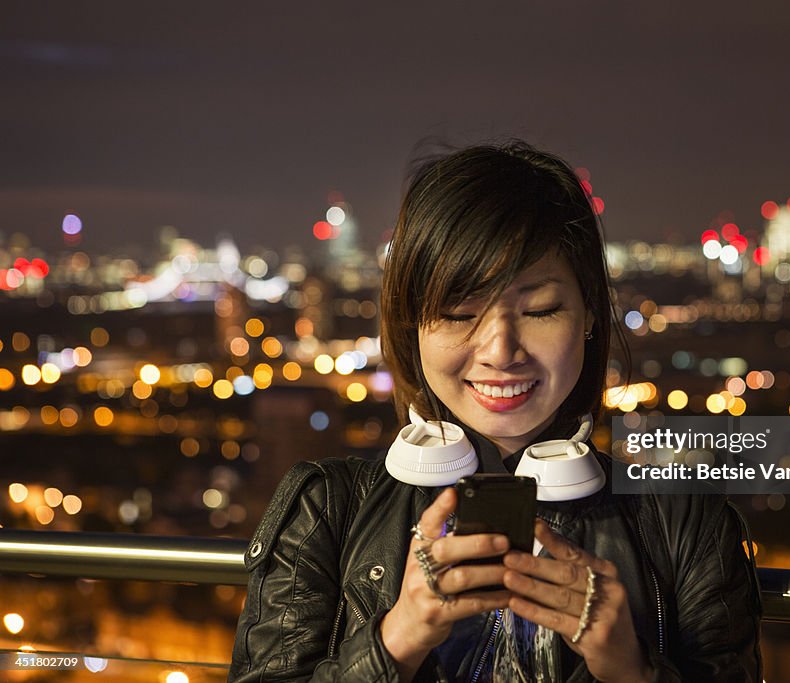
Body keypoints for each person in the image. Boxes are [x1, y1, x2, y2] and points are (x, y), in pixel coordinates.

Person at [228, 141, 762, 682]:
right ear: (411, 327)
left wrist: (630, 669)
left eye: (540, 309)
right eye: (459, 313)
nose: (501, 350)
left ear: (590, 315)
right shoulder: (325, 511)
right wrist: (397, 639)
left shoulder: (686, 523)